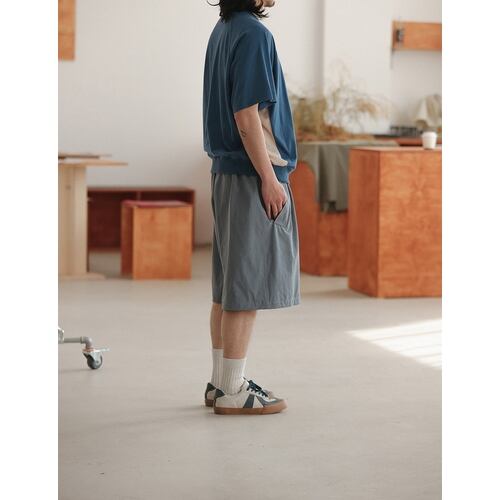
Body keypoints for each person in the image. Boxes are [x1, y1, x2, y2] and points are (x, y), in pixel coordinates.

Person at [203, 0, 299, 415]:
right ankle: (233, 390)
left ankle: (220, 383)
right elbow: (246, 115)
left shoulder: (223, 30)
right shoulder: (255, 34)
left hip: (226, 172)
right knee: (245, 288)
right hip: (249, 174)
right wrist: (268, 178)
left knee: (228, 287)